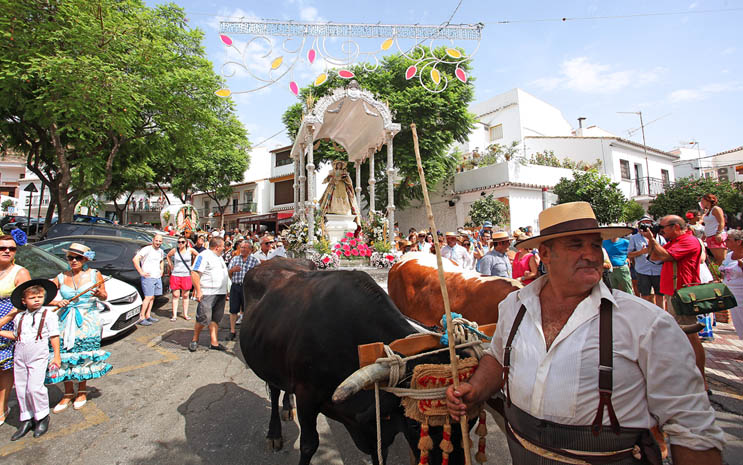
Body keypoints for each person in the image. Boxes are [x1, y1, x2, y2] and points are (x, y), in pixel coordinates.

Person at [447, 202, 724, 465]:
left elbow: (692, 428)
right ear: (544, 253)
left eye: (595, 244)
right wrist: (476, 388)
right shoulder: (513, 307)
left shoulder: (648, 324)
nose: (592, 255)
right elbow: (497, 357)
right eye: (576, 245)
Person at [643, 215, 708, 391]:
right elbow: (655, 256)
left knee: (690, 335)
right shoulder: (674, 241)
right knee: (679, 336)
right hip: (674, 293)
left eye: (663, 227)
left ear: (676, 227)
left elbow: (665, 256)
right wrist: (652, 240)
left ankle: (701, 380)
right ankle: (687, 376)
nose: (661, 230)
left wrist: (652, 239)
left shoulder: (688, 241)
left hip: (683, 293)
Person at [49, 243, 111, 412]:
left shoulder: (94, 274)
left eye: (79, 258)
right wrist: (56, 302)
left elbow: (105, 295)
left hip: (87, 320)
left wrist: (99, 294)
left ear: (86, 259)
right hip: (65, 320)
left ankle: (82, 391)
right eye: (71, 257)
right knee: (64, 355)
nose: (74, 261)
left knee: (83, 356)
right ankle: (68, 393)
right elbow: (43, 295)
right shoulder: (61, 276)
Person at [0, 280, 60, 440]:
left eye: (40, 297)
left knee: (34, 387)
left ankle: (42, 417)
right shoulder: (20, 317)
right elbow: (15, 335)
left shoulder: (48, 314)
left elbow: (54, 335)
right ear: (23, 301)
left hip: (38, 353)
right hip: (20, 353)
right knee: (21, 387)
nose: (37, 300)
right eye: (32, 297)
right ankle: (27, 418)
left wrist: (56, 355)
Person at [0, 233, 31, 426]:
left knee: (4, 369)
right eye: (2, 248)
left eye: (11, 248)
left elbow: (23, 303)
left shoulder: (20, 272)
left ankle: (2, 407)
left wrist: (3, 322)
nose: (7, 251)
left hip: (7, 323)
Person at [189, 237, 229, 352]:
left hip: (220, 293)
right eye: (222, 246)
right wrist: (198, 290)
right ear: (217, 247)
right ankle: (195, 339)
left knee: (215, 319)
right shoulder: (204, 256)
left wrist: (225, 291)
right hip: (208, 293)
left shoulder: (219, 257)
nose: (224, 248)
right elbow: (195, 273)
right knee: (203, 318)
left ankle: (214, 342)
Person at [628, 217, 666, 308]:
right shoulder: (634, 238)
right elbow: (629, 254)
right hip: (642, 270)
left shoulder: (660, 238)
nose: (647, 226)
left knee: (660, 295)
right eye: (644, 224)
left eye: (648, 223)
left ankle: (663, 316)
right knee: (645, 295)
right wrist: (641, 252)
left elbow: (665, 252)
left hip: (658, 270)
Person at [227, 242, 260, 340]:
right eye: (241, 247)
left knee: (248, 310)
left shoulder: (255, 260)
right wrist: (232, 270)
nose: (243, 249)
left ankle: (247, 331)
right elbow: (229, 274)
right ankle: (232, 331)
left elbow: (259, 275)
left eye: (245, 248)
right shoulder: (235, 259)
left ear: (250, 250)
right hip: (236, 286)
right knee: (233, 309)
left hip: (248, 288)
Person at [132, 234, 165, 326]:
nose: (158, 243)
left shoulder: (161, 251)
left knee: (152, 297)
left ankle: (148, 315)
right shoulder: (147, 249)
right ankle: (141, 317)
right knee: (148, 297)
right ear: (153, 240)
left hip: (157, 276)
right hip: (148, 277)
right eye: (156, 240)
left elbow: (161, 261)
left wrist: (161, 270)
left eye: (160, 241)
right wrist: (141, 272)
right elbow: (135, 259)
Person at [166, 236, 199, 321]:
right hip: (176, 274)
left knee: (185, 295)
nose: (180, 244)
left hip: (186, 275)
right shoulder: (175, 250)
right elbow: (168, 256)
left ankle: (185, 314)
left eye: (182, 242)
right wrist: (171, 265)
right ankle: (174, 315)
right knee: (175, 295)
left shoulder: (190, 250)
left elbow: (198, 256)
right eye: (179, 242)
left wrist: (193, 265)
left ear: (186, 243)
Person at [720, 229, 743, 339]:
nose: (725, 242)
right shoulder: (729, 255)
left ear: (738, 242)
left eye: (728, 240)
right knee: (738, 321)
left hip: (741, 293)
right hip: (731, 294)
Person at [701, 194, 727, 265]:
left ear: (708, 200)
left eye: (703, 200)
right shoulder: (707, 211)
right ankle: (721, 274)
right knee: (717, 259)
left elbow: (722, 222)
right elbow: (707, 225)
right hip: (709, 237)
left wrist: (718, 233)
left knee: (722, 259)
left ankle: (725, 275)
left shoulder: (716, 209)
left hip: (716, 236)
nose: (701, 202)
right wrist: (703, 237)